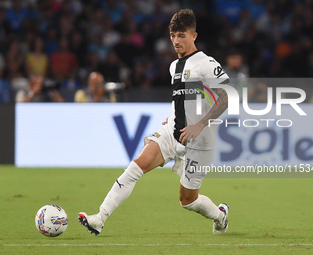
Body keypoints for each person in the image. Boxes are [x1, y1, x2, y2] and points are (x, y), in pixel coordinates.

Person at [78, 9, 230, 235]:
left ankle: (220, 216)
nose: (176, 41)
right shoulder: (173, 66)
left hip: (200, 140)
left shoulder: (205, 63)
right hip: (173, 132)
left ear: (194, 36)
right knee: (134, 167)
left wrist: (199, 124)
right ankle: (99, 218)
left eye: (181, 35)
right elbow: (184, 97)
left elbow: (225, 97)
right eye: (173, 35)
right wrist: (174, 115)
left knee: (187, 200)